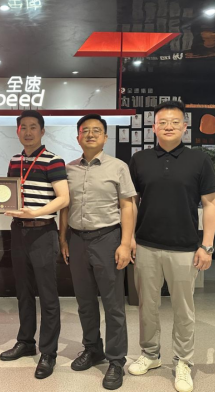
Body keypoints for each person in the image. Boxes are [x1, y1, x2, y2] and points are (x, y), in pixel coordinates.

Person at [128, 100, 215, 392]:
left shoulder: (199, 160)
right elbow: (131, 203)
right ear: (154, 127)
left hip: (185, 248)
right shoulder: (139, 159)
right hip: (146, 245)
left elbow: (210, 205)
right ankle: (150, 354)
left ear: (185, 127)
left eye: (175, 122)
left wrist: (207, 246)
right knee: (147, 306)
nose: (169, 126)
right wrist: (130, 238)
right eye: (163, 122)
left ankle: (183, 361)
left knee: (183, 309)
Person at [59, 114, 135, 390]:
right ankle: (93, 349)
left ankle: (116, 360)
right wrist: (63, 238)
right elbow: (65, 207)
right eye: (85, 131)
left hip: (108, 239)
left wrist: (125, 243)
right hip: (77, 239)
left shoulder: (118, 167)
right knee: (85, 301)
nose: (90, 134)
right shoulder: (68, 169)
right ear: (78, 137)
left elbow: (128, 206)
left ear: (105, 137)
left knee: (113, 304)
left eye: (96, 130)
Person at [0, 110, 69, 379]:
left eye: (33, 127)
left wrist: (36, 212)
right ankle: (26, 341)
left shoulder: (53, 160)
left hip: (43, 233)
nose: (28, 132)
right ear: (17, 131)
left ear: (42, 131)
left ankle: (48, 352)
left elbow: (63, 198)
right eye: (23, 127)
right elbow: (9, 194)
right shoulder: (15, 161)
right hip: (19, 232)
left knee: (48, 295)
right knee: (24, 292)